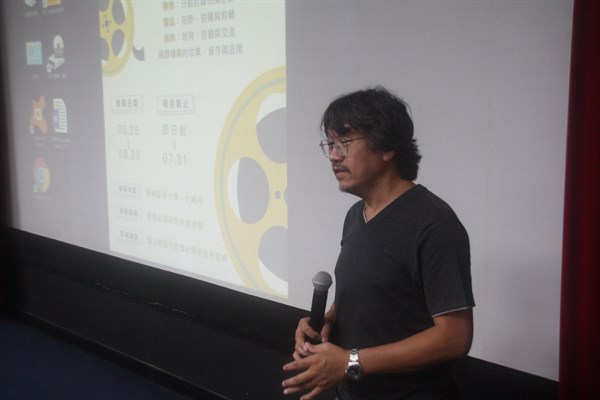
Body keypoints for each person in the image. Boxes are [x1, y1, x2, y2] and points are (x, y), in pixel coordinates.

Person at [282, 87, 475, 400]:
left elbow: (455, 337)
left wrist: (350, 362)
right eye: (330, 144)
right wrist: (327, 320)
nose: (333, 155)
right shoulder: (355, 215)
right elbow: (372, 295)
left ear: (387, 147)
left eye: (344, 143)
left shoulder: (433, 223)